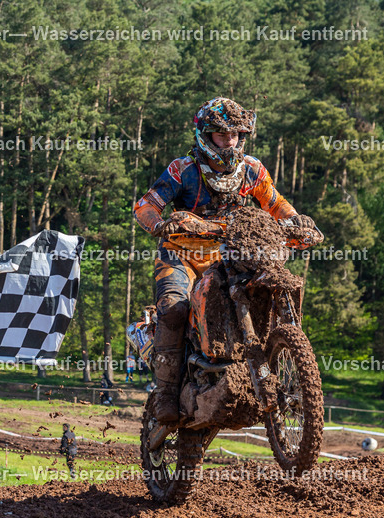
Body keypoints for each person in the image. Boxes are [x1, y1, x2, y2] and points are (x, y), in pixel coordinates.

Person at [133, 97, 320, 424]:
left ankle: (280, 366)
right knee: (175, 309)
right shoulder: (183, 170)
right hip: (182, 254)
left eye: (235, 134)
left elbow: (277, 205)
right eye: (222, 134)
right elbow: (146, 205)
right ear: (206, 134)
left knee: (267, 288)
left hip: (232, 254)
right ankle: (164, 392)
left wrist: (297, 221)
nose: (229, 140)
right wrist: (161, 224)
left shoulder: (253, 170)